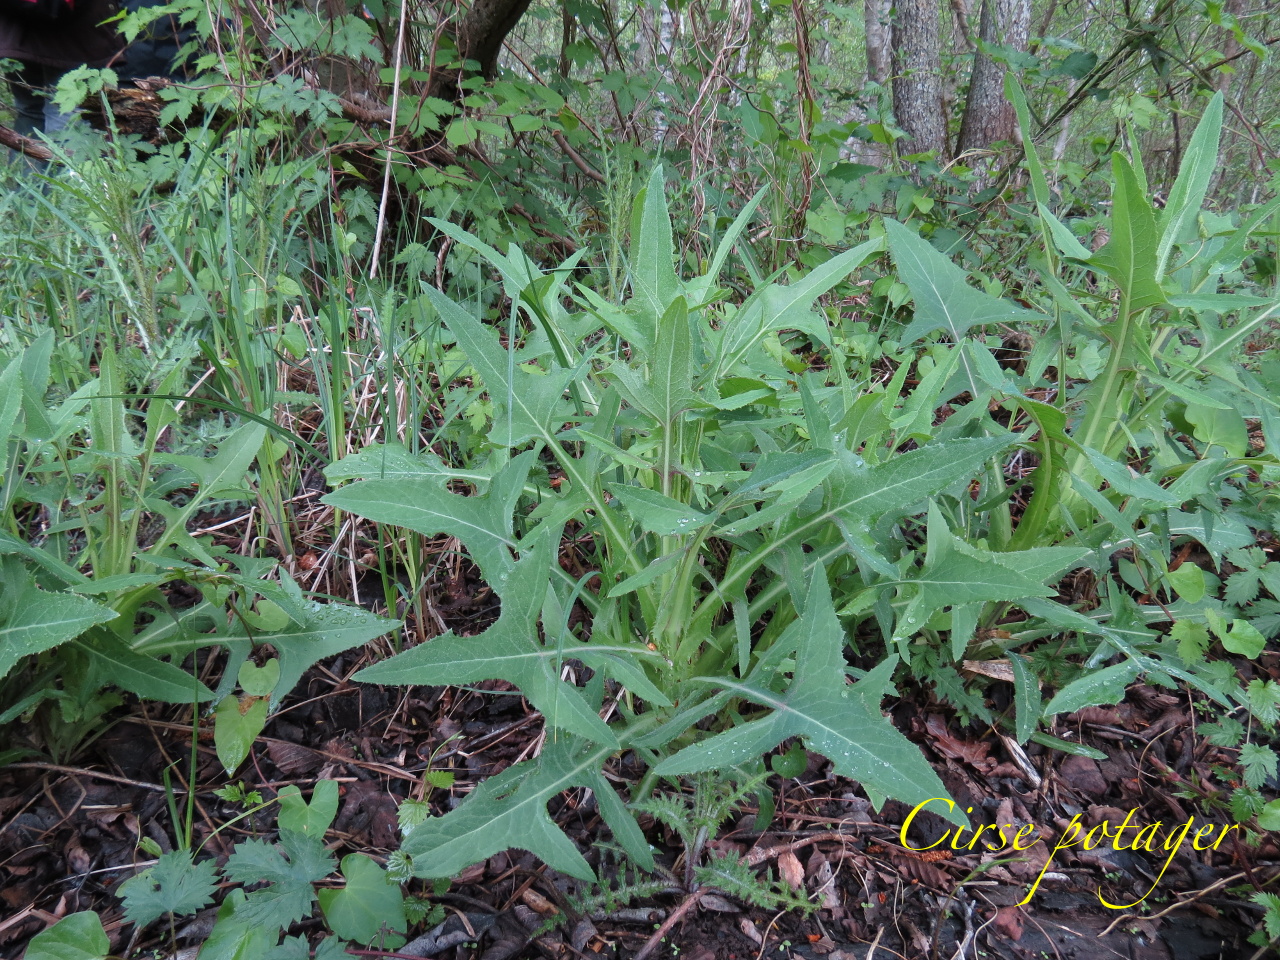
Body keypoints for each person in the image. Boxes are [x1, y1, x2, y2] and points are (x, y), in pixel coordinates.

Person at [0, 0, 122, 139]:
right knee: (66, 118)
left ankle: (31, 160)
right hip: (74, 38)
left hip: (16, 35)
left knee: (31, 113)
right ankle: (61, 160)